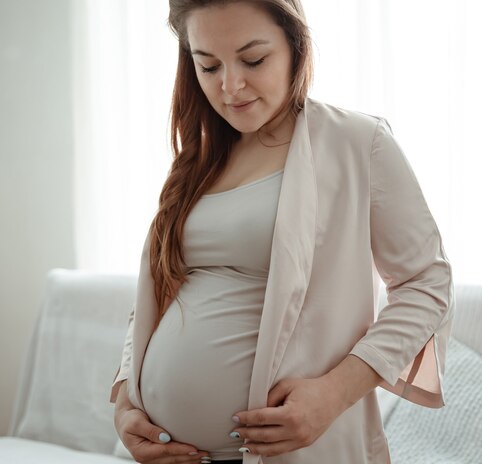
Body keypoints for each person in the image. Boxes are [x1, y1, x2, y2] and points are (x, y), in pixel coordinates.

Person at [110, 1, 454, 463]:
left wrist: (333, 393)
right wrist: (128, 404)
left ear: (296, 48)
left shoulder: (357, 143)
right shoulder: (197, 162)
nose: (230, 86)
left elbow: (426, 285)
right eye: (208, 65)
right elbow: (156, 298)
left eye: (253, 60)